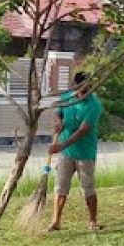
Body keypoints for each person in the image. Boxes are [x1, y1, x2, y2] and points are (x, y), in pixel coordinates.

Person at [47, 72, 103, 232]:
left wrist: (61, 146)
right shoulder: (68, 96)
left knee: (88, 187)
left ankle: (92, 221)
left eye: (84, 91)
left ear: (90, 87)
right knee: (60, 186)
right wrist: (59, 122)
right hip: (66, 153)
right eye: (78, 90)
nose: (80, 94)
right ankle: (56, 221)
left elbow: (82, 131)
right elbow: (58, 112)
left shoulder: (94, 105)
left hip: (85, 153)